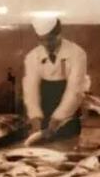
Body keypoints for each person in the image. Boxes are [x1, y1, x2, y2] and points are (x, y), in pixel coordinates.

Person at [23, 17, 87, 145]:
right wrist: (35, 117)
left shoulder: (77, 53)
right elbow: (30, 89)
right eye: (42, 40)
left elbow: (74, 90)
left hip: (69, 112)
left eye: (50, 39)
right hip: (43, 109)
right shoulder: (32, 56)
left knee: (65, 143)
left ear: (59, 34)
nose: (46, 44)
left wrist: (58, 118)